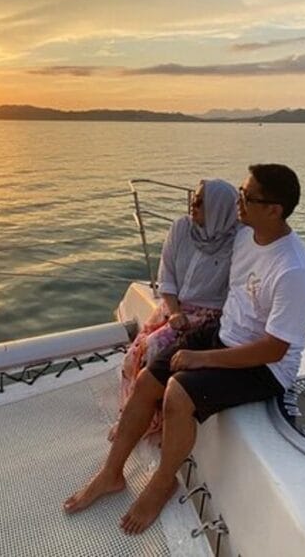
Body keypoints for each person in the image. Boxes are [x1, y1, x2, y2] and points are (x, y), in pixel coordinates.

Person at [65, 164, 305, 535]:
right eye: (239, 192)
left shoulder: (293, 270)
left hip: (264, 366)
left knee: (177, 393)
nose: (238, 202)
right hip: (224, 332)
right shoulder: (246, 234)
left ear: (274, 209)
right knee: (148, 379)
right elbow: (203, 232)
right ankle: (111, 472)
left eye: (246, 197)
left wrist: (203, 358)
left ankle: (163, 481)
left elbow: (275, 349)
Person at [114, 178, 238, 441]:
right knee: (134, 354)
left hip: (207, 317)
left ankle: (148, 420)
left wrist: (192, 320)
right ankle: (130, 414)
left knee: (155, 349)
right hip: (173, 307)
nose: (193, 203)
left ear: (218, 208)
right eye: (195, 196)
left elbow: (232, 297)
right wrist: (173, 312)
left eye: (201, 201)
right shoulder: (181, 228)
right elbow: (166, 277)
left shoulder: (236, 245)